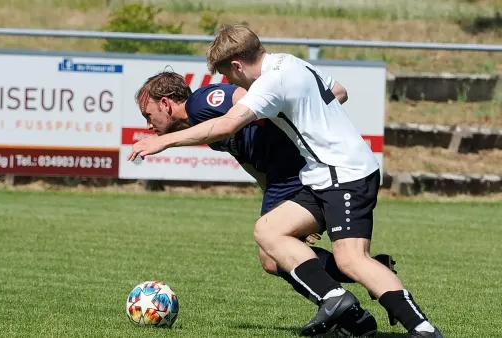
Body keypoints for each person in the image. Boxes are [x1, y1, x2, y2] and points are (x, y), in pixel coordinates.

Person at [127, 25, 443, 338]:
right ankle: (340, 304)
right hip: (322, 173)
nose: (227, 82)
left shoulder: (255, 87)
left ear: (237, 65)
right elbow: (340, 91)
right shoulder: (291, 62)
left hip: (342, 172)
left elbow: (226, 123)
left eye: (227, 74)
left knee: (351, 259)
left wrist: (163, 143)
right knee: (269, 232)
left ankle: (421, 328)